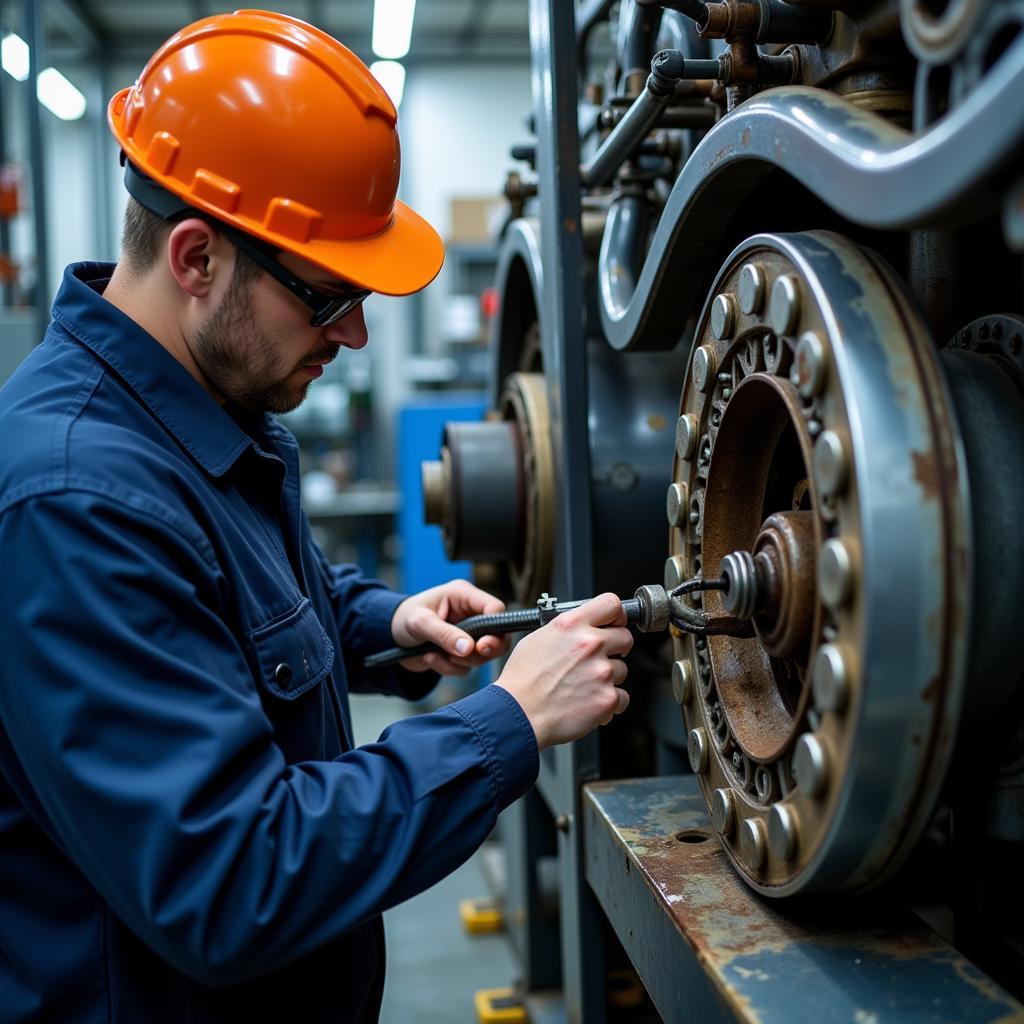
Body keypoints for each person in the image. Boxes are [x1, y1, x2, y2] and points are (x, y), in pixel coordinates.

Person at [0, 10, 633, 1024]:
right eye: (326, 292)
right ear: (197, 258)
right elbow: (230, 877)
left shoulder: (208, 416)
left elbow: (227, 603)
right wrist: (507, 721)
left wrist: (382, 625)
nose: (356, 330)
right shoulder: (76, 501)